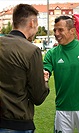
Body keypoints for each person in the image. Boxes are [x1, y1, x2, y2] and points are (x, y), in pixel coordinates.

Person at [0, 4, 50, 133]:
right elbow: (38, 97)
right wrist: (44, 81)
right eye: (37, 24)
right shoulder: (31, 50)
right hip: (17, 123)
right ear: (32, 23)